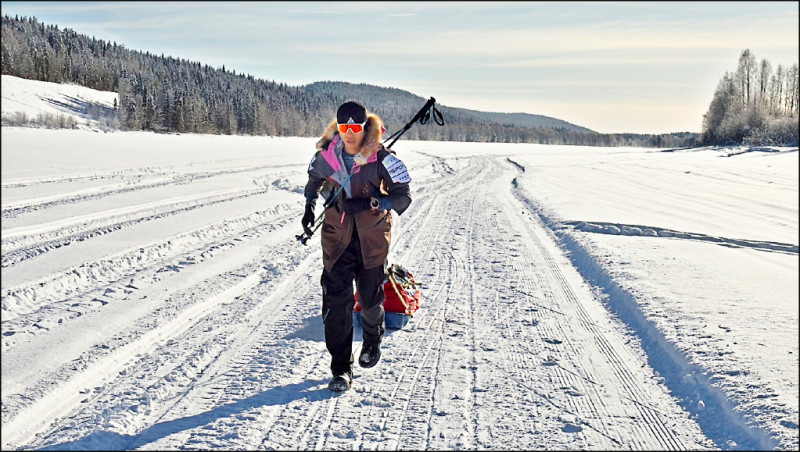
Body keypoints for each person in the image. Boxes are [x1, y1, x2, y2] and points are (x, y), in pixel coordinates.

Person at [302, 101, 412, 392]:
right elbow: (313, 181)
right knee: (336, 304)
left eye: (355, 127)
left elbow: (403, 196)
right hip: (336, 240)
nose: (350, 133)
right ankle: (341, 369)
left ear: (364, 127)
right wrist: (309, 207)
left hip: (371, 241)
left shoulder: (383, 158)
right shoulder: (326, 156)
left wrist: (373, 202)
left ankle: (373, 337)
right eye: (344, 127)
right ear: (338, 127)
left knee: (369, 298)